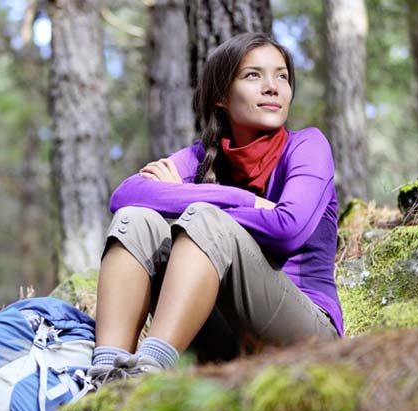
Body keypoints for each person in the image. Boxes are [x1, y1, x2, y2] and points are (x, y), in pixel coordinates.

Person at [87, 32, 343, 385]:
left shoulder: (308, 146)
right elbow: (126, 196)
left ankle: (149, 372)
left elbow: (288, 229)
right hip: (225, 338)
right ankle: (106, 376)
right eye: (253, 75)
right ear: (222, 96)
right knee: (137, 221)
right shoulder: (201, 157)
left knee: (205, 221)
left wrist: (193, 200)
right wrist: (245, 199)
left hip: (304, 333)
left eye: (281, 76)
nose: (272, 87)